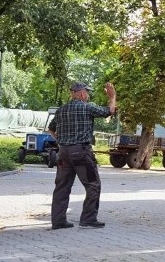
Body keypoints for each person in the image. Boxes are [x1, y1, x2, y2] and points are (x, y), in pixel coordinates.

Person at [48, 82, 117, 230]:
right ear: (81, 93)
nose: (88, 95)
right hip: (81, 153)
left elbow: (51, 129)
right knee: (93, 185)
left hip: (63, 153)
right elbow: (110, 111)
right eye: (87, 92)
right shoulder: (87, 107)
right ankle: (88, 219)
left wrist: (60, 142)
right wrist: (112, 96)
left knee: (62, 187)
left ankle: (58, 221)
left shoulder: (61, 110)